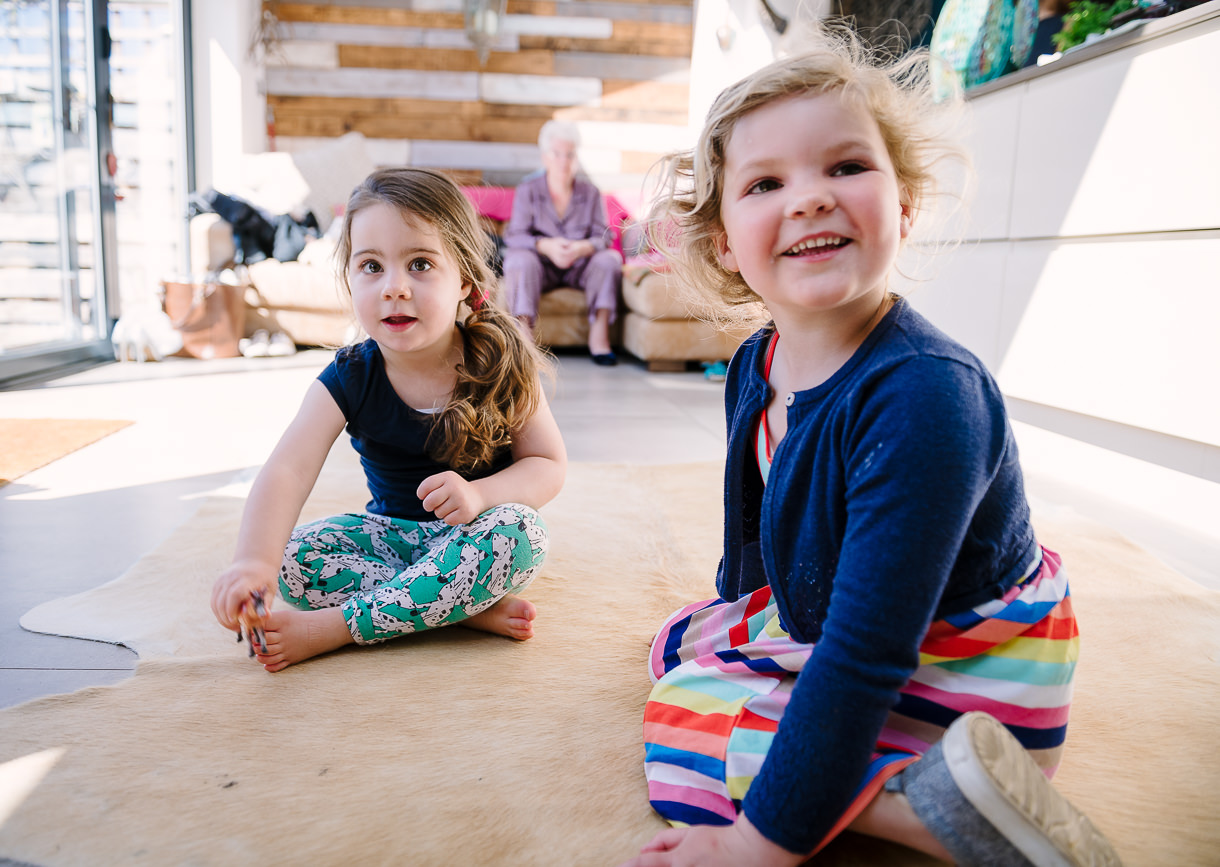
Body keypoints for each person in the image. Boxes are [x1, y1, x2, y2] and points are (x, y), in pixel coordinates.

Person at [621, 37, 1122, 867]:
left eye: (846, 167)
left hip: (979, 665)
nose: (812, 198)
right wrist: (747, 624)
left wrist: (756, 845)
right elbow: (753, 531)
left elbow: (866, 653)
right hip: (870, 616)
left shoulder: (926, 395)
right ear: (721, 242)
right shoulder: (757, 361)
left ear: (906, 204)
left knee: (684, 715)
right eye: (767, 183)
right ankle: (877, 768)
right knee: (679, 643)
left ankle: (940, 806)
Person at [210, 167, 567, 673]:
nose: (394, 287)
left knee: (522, 533)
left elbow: (548, 464)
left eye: (420, 264)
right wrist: (254, 562)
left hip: (475, 536)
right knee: (292, 559)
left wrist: (480, 496)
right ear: (350, 277)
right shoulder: (350, 375)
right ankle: (455, 611)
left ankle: (340, 627)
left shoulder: (502, 361)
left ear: (464, 279)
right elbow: (288, 469)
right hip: (389, 540)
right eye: (372, 266)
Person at [504, 120, 623, 365]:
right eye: (557, 154)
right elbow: (515, 236)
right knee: (519, 259)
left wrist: (583, 247)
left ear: (576, 158)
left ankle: (599, 339)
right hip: (541, 267)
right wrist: (545, 245)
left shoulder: (590, 192)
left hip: (579, 268)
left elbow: (604, 236)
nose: (563, 161)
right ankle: (524, 339)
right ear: (545, 157)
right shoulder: (529, 190)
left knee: (610, 259)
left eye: (569, 154)